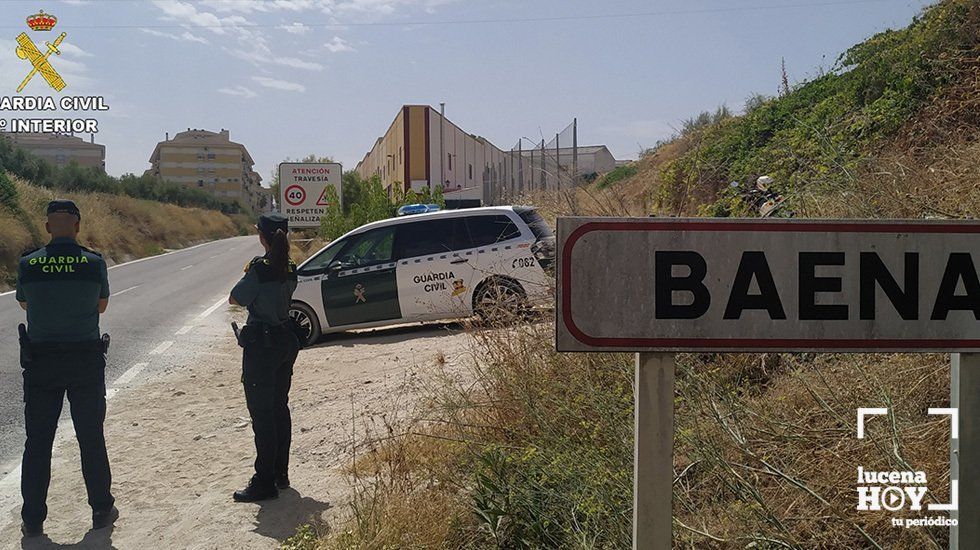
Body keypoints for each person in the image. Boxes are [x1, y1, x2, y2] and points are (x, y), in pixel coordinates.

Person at [16, 200, 117, 538]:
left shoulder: (28, 265)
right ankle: (101, 509)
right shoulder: (93, 263)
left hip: (41, 362)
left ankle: (33, 519)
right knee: (91, 437)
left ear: (47, 227)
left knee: (38, 442)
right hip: (85, 360)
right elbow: (100, 305)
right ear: (77, 227)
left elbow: (25, 303)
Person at [229, 213, 300, 502]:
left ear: (263, 237)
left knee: (262, 415)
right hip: (285, 341)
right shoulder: (291, 267)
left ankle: (264, 481)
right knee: (279, 409)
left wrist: (251, 273)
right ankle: (280, 474)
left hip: (263, 346)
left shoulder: (259, 268)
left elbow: (236, 298)